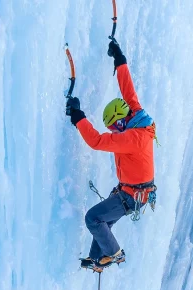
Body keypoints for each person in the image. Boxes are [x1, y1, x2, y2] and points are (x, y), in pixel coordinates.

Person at [66, 40, 156, 270]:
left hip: (131, 196)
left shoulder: (132, 138)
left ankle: (114, 253)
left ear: (120, 120)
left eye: (114, 127)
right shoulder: (137, 117)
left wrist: (78, 118)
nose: (114, 132)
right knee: (102, 219)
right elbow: (129, 91)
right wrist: (120, 59)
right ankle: (98, 259)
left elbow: (96, 141)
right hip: (131, 192)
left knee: (93, 218)